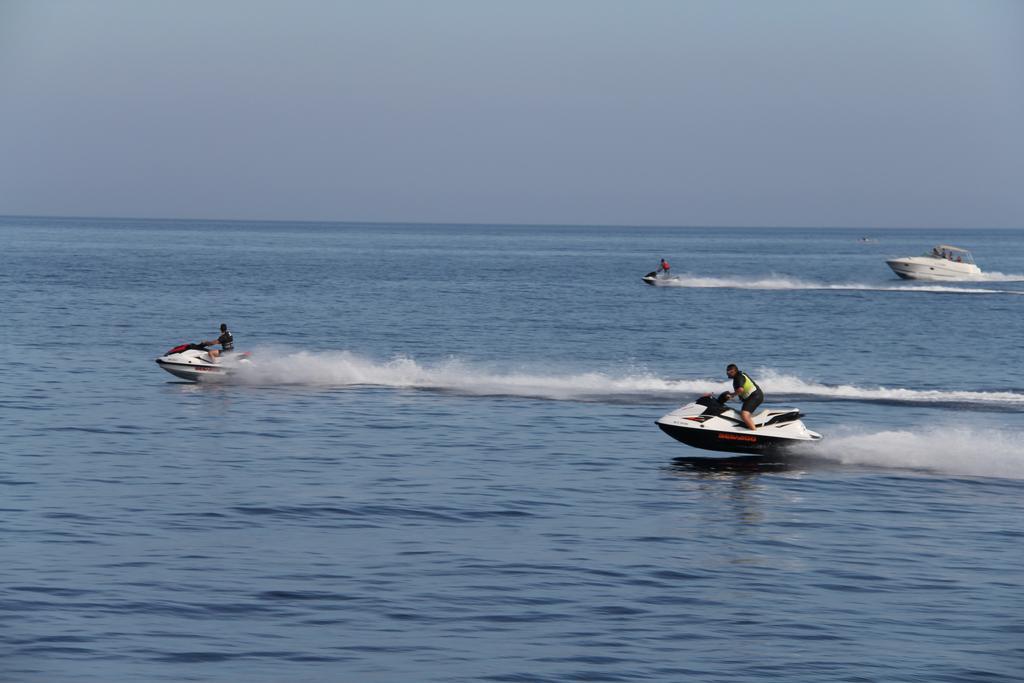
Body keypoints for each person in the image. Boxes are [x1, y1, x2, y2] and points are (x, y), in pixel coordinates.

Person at [724, 364, 764, 430]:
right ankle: (749, 426)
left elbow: (740, 389)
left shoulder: (738, 377)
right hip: (753, 396)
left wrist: (732, 395)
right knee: (742, 414)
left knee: (744, 414)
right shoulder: (739, 375)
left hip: (755, 396)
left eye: (728, 371)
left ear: (733, 371)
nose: (727, 373)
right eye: (727, 371)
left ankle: (754, 432)